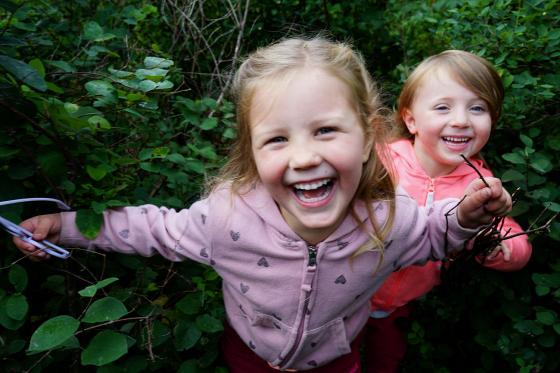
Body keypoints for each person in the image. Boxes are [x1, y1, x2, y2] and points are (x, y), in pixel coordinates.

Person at [12, 38, 512, 372]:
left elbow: (432, 236)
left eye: (326, 130)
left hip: (336, 360)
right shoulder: (227, 218)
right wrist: (63, 225)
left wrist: (464, 218)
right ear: (250, 150)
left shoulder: (388, 218)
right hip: (248, 355)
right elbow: (150, 230)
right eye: (276, 139)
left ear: (367, 138)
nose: (303, 157)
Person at [363, 50, 532, 373]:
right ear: (411, 120)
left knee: (386, 360)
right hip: (346, 294)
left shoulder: (480, 185)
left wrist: (492, 243)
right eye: (443, 107)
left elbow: (518, 243)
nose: (460, 120)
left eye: (478, 108)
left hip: (402, 304)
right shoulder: (380, 161)